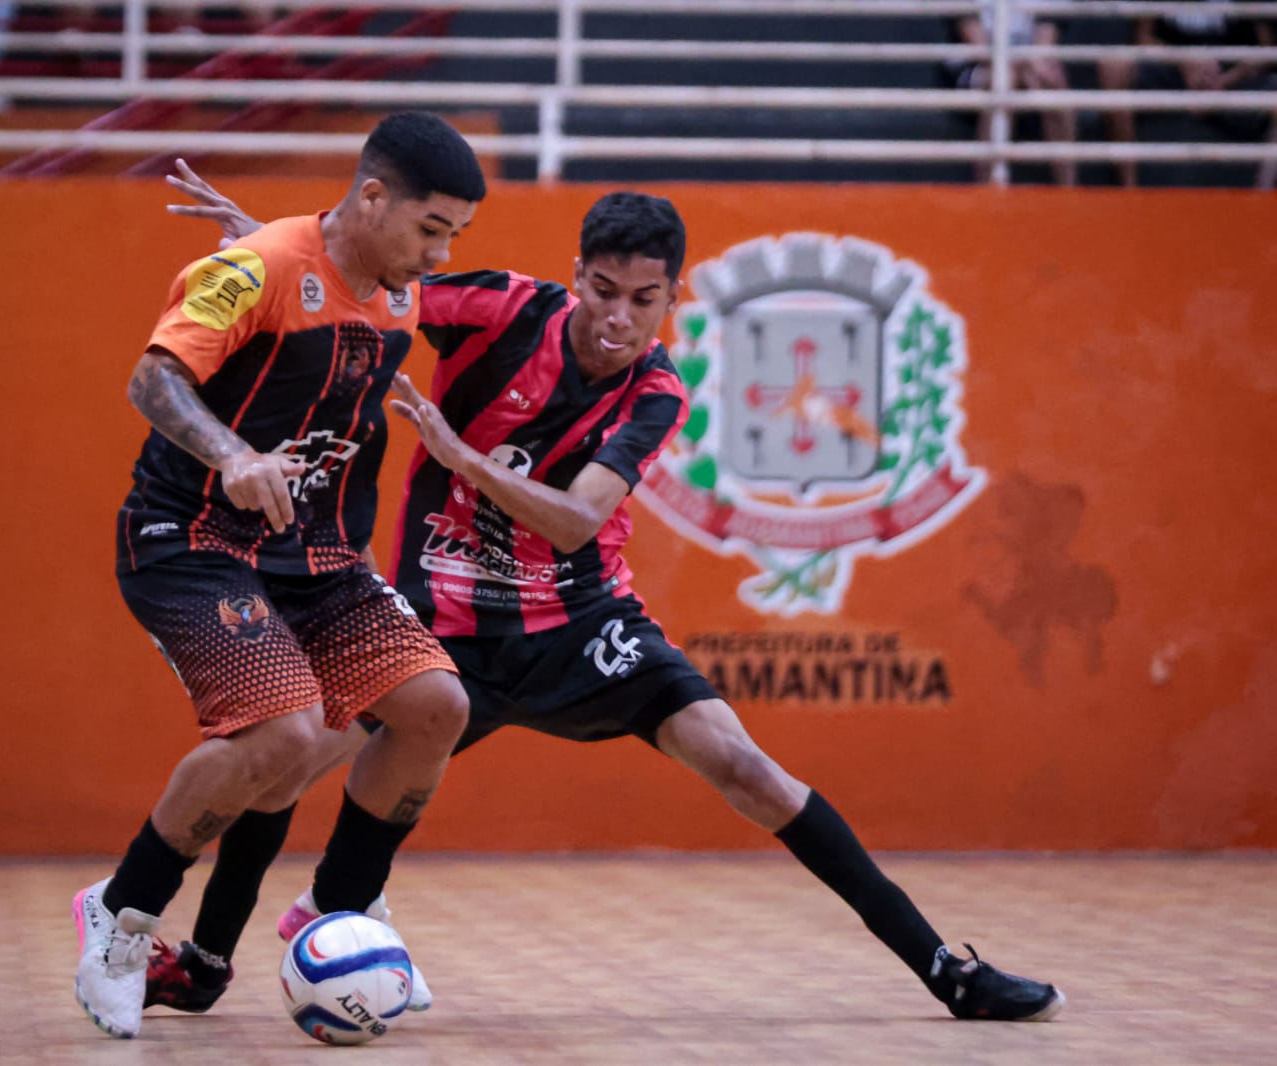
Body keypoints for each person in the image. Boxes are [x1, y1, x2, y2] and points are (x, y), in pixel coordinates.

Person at [141, 173, 1067, 1024]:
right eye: (604, 291)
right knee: (288, 758)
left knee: (748, 771)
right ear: (576, 275)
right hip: (444, 623)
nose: (619, 317)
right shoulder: (498, 307)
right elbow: (368, 277)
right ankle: (209, 958)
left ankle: (945, 970)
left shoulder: (657, 391)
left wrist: (460, 458)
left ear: (672, 299)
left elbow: (578, 523)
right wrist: (274, 247)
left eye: (645, 300)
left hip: (580, 625)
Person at [73, 112, 485, 1040]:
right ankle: (123, 915)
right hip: (191, 536)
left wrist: (274, 237)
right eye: (431, 230)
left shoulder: (382, 286)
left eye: (453, 235)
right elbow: (153, 379)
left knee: (436, 708)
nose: (439, 254)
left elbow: (321, 276)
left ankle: (338, 909)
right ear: (373, 197)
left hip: (313, 556)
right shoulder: (249, 269)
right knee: (286, 735)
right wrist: (229, 454)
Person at [1098, 0, 1277, 187]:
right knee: (1113, 66)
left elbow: (1265, 51)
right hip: (1172, 67)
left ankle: (1261, 199)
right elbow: (1143, 38)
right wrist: (1183, 59)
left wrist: (1225, 81)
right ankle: (1129, 191)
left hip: (1233, 77)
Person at [947, 0, 1078, 186]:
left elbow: (1044, 45)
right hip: (974, 68)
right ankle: (987, 189)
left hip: (1029, 68)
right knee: (1005, 79)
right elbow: (979, 46)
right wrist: (1018, 66)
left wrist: (1030, 65)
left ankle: (1069, 191)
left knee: (1053, 80)